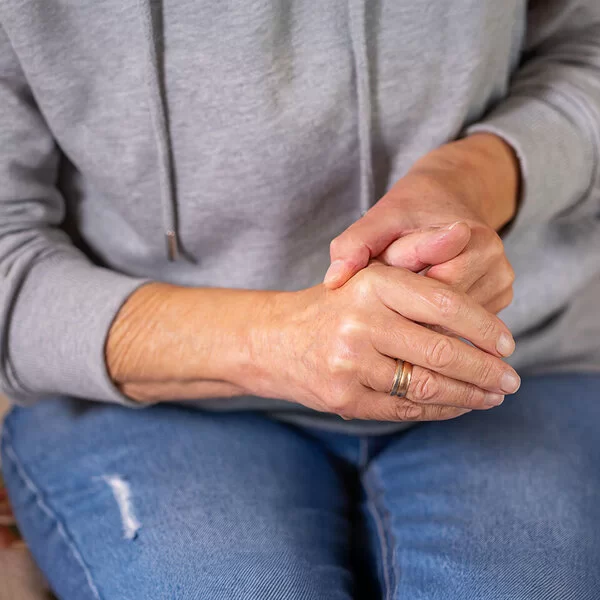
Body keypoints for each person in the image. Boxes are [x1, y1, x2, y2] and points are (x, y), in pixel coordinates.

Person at [1, 1, 599, 598]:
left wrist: (472, 181)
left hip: (518, 364)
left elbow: (586, 50)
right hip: (151, 399)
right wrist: (275, 341)